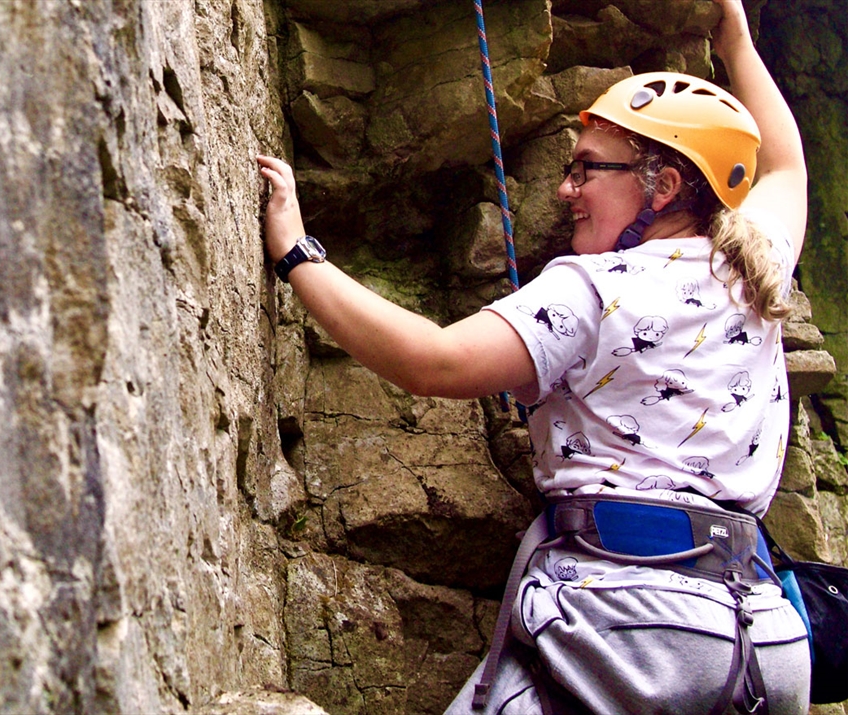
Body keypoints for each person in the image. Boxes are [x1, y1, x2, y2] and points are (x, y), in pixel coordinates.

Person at [256, 0, 811, 712]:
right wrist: (732, 30)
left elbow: (435, 362)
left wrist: (299, 255)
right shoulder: (753, 266)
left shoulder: (595, 289)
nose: (565, 189)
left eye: (587, 170)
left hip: (631, 624)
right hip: (763, 638)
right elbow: (786, 161)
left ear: (663, 186)